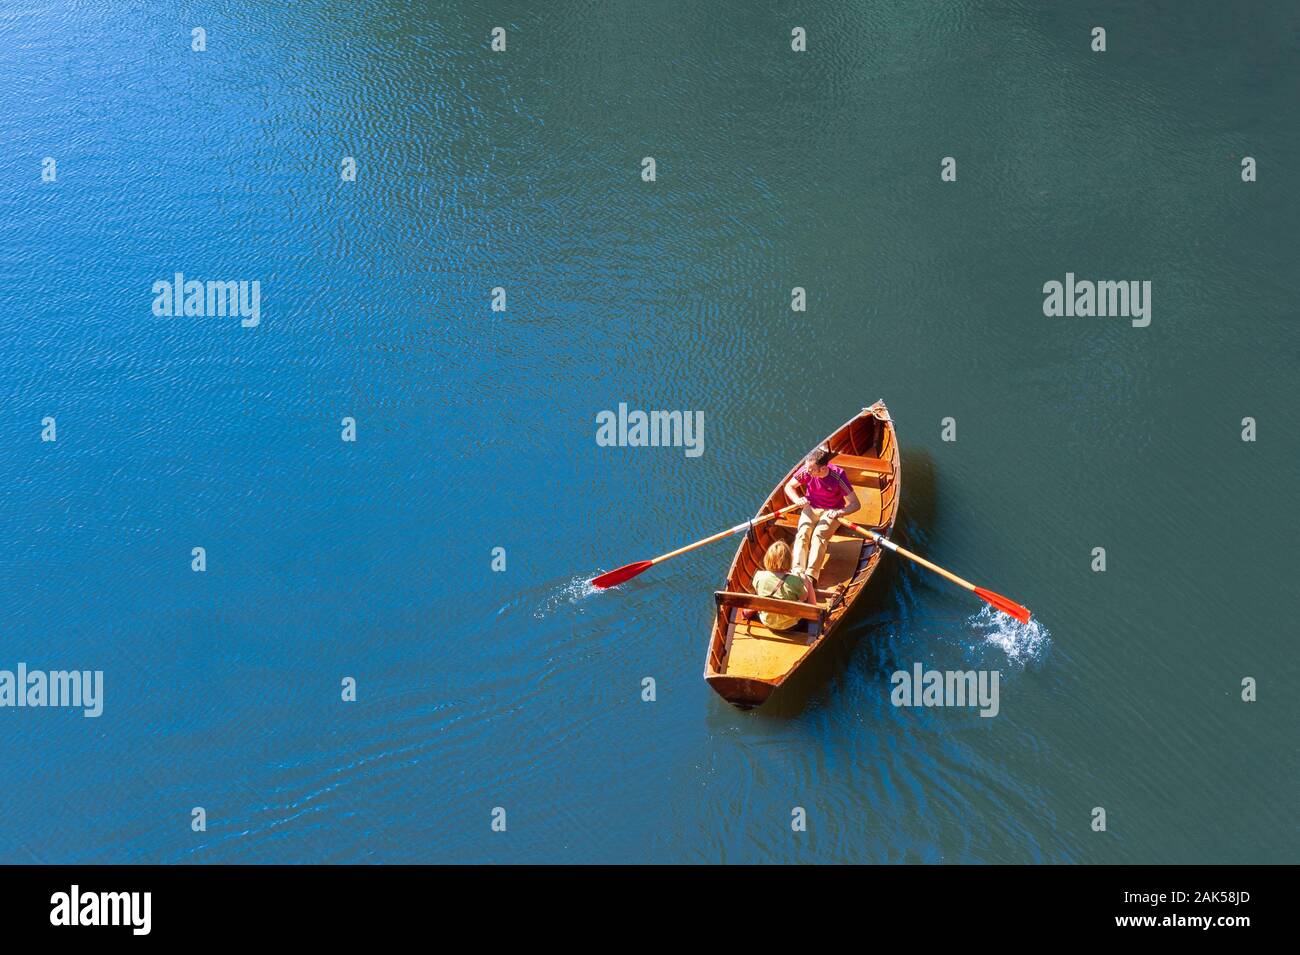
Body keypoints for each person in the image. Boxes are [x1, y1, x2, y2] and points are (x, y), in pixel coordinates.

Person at [784, 446, 860, 586]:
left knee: (818, 535)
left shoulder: (838, 476)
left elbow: (855, 504)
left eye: (811, 469)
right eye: (807, 468)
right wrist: (797, 500)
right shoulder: (807, 470)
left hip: (832, 511)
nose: (807, 472)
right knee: (802, 533)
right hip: (811, 507)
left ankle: (811, 576)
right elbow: (788, 487)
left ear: (824, 468)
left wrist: (839, 512)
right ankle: (797, 572)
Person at [750, 540, 817, 630]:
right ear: (789, 560)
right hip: (791, 626)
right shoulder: (795, 581)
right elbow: (808, 603)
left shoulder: (759, 576)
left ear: (767, 558)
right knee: (807, 584)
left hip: (767, 622)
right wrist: (806, 581)